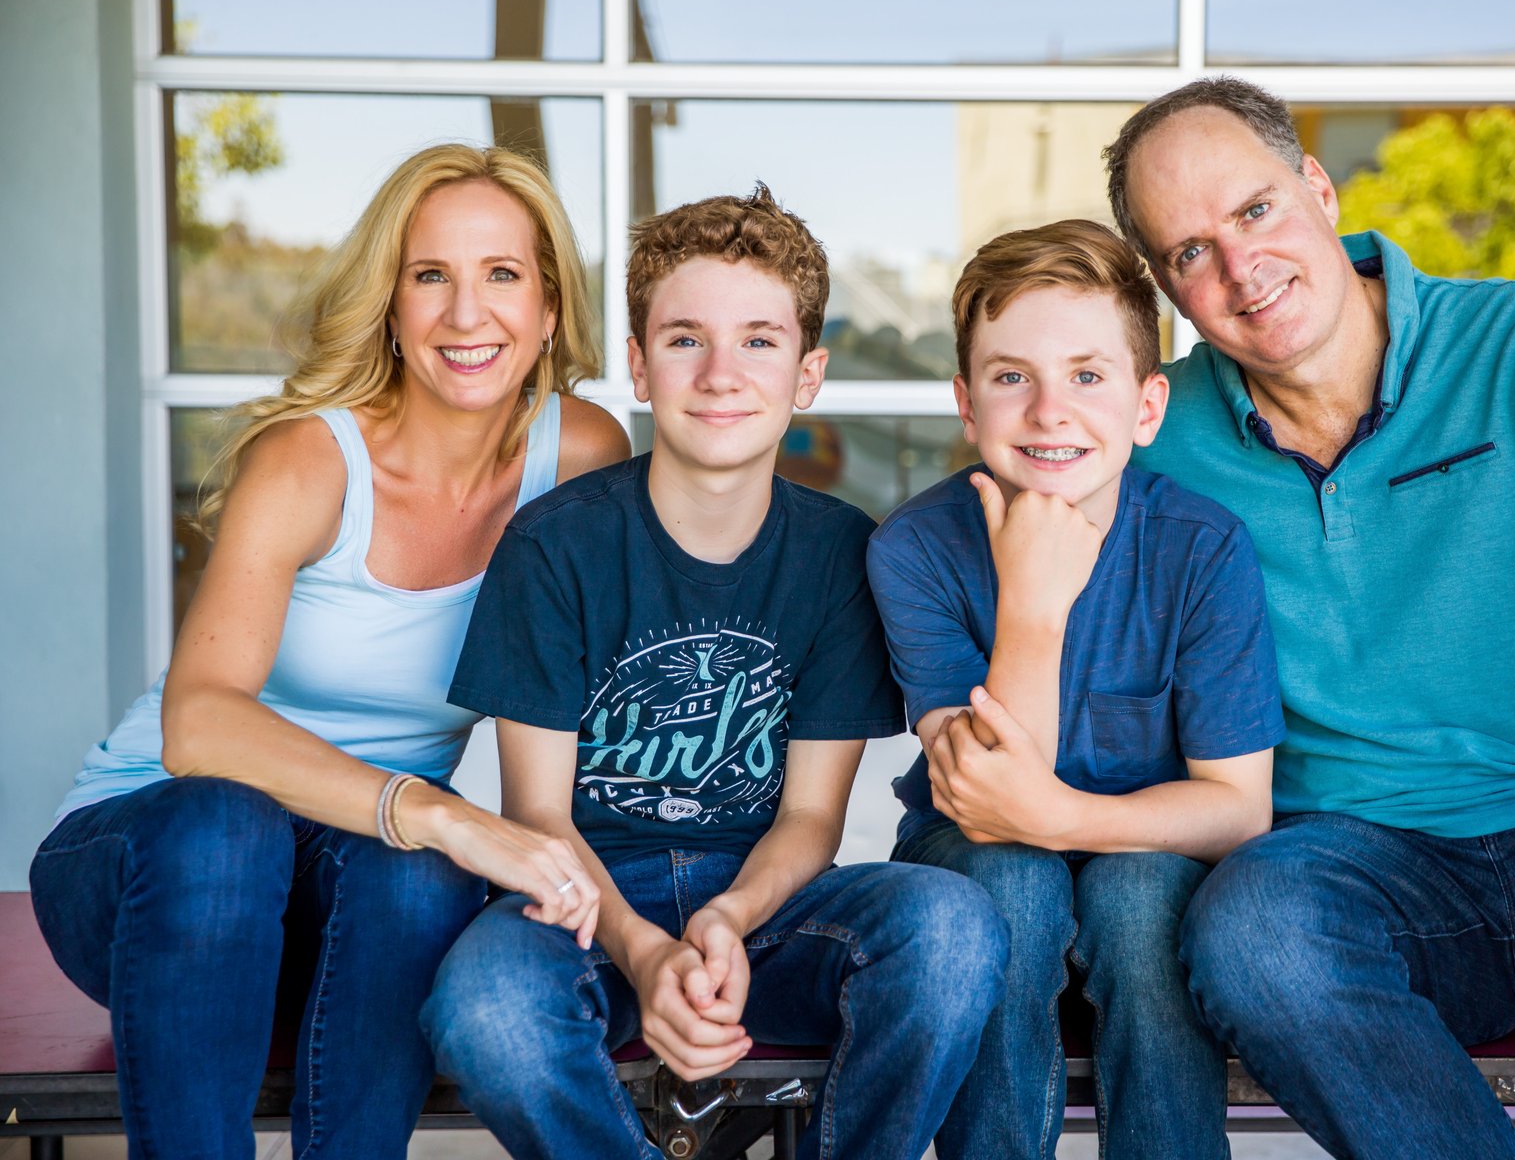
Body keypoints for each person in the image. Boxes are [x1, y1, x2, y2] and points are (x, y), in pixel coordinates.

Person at [1088, 74, 1515, 1158]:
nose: (1240, 266)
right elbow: (1013, 493)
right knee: (1254, 933)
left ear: (1319, 189)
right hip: (1371, 869)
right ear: (1165, 287)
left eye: (1256, 209)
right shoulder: (1151, 432)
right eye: (1190, 251)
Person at [29, 143, 631, 1159]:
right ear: (390, 306)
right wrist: (439, 812)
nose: (466, 313)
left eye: (501, 274)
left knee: (423, 877)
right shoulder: (309, 459)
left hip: (355, 892)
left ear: (548, 309)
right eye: (429, 275)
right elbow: (198, 725)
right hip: (157, 873)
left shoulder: (581, 457)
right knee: (231, 823)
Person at [420, 184, 1006, 1160]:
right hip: (579, 901)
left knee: (951, 927)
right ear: (639, 366)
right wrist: (645, 952)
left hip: (770, 908)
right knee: (485, 1007)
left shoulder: (838, 554)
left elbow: (810, 818)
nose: (721, 374)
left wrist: (731, 916)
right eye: (685, 339)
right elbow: (540, 818)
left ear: (808, 374)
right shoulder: (556, 546)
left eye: (759, 342)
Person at [866, 219, 1286, 1160]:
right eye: (1011, 377)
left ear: (1147, 407)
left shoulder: (1203, 548)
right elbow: (988, 805)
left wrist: (1063, 817)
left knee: (1142, 900)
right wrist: (1032, 606)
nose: (1050, 412)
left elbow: (1236, 808)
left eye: (1088, 376)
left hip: (1150, 851)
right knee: (1011, 881)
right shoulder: (915, 548)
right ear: (966, 405)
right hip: (973, 853)